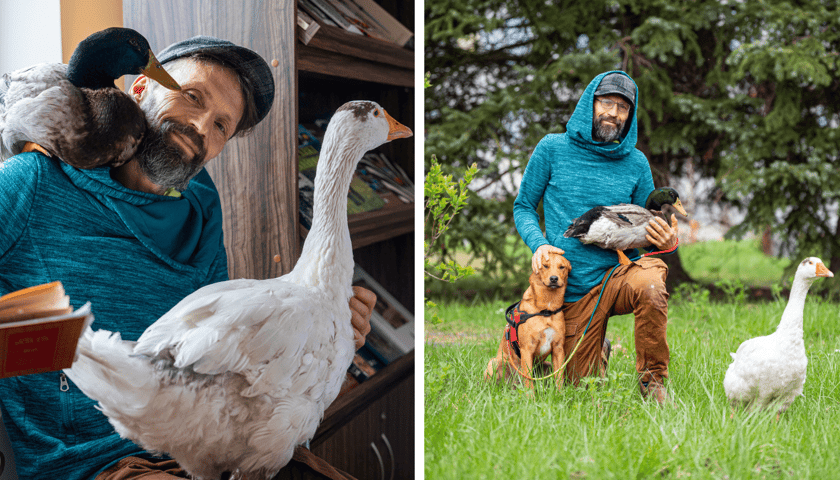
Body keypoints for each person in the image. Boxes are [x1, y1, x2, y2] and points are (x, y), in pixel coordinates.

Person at [0, 36, 376, 479]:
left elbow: (213, 347)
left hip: (215, 447)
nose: (200, 126)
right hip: (98, 464)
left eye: (221, 126)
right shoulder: (33, 183)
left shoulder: (201, 208)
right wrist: (68, 348)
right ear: (140, 89)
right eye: (192, 97)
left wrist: (321, 334)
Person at [513, 71, 679, 404]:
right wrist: (539, 243)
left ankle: (653, 383)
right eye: (606, 102)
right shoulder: (552, 149)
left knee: (650, 283)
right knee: (579, 391)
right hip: (569, 294)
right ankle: (596, 346)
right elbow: (524, 207)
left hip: (617, 277)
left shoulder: (635, 162)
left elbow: (645, 225)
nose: (613, 113)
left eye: (623, 107)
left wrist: (664, 239)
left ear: (630, 116)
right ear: (590, 102)